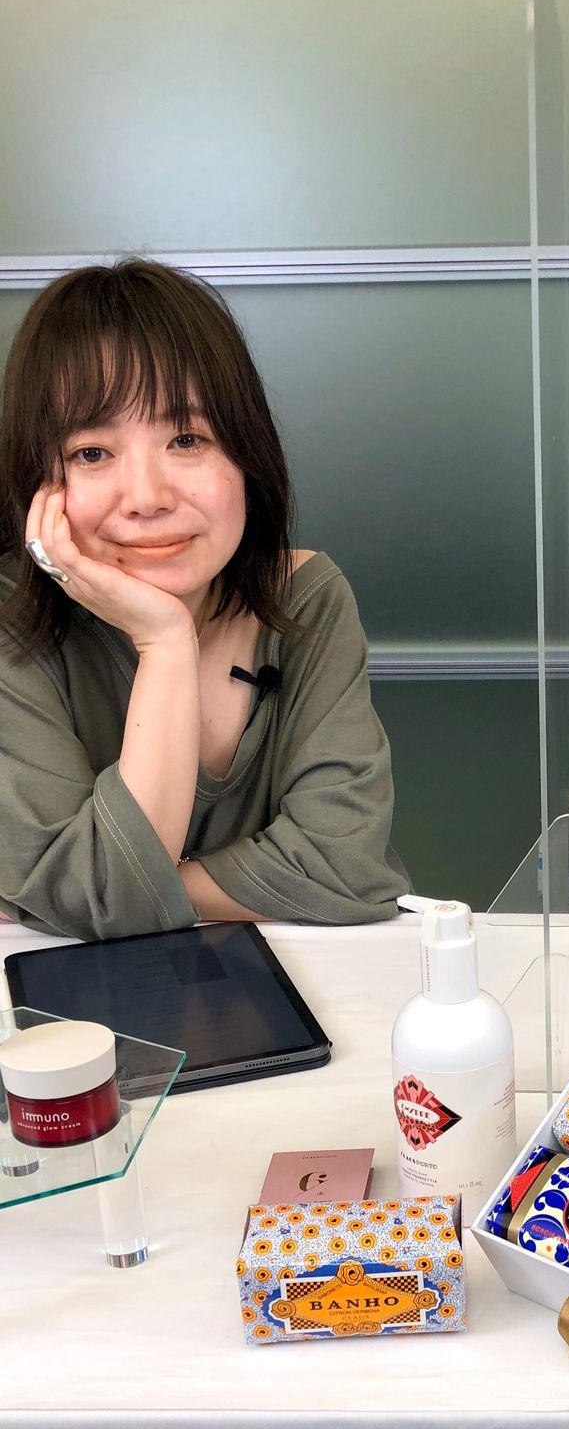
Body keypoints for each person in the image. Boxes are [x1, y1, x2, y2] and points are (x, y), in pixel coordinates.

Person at [0, 257, 408, 941]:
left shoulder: (307, 600)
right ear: (38, 479)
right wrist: (165, 642)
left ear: (248, 454)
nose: (147, 497)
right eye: (92, 453)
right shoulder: (11, 621)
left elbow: (349, 869)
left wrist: (121, 890)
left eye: (186, 439)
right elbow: (93, 899)